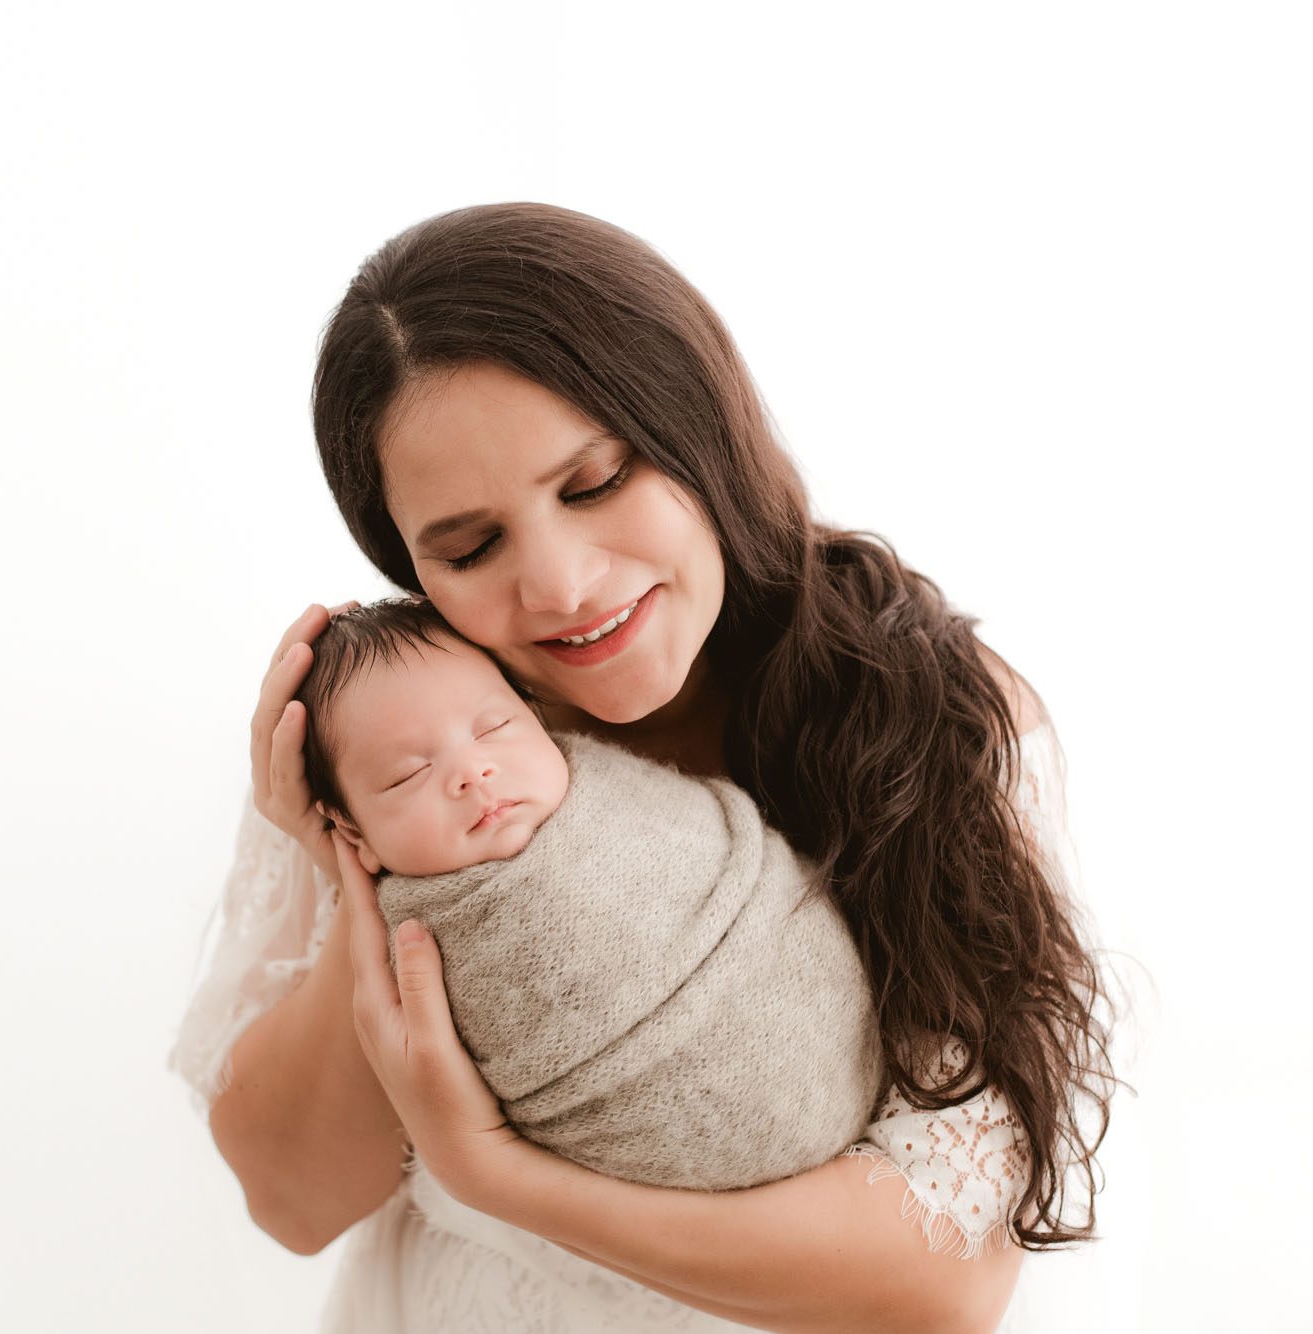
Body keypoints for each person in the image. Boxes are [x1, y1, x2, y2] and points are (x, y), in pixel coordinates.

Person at [169, 202, 1116, 1332]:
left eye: (595, 484)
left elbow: (944, 1283)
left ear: (701, 431)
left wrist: (497, 1174)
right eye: (469, 547)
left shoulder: (923, 714)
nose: (561, 584)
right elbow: (293, 1199)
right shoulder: (397, 746)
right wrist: (355, 858)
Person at [290, 594, 884, 1193]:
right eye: (408, 774)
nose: (471, 772)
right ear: (353, 835)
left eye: (494, 727)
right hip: (663, 1168)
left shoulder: (619, 788)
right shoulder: (412, 948)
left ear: (538, 718)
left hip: (826, 1031)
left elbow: (748, 865)